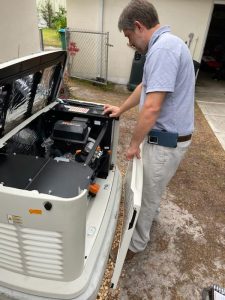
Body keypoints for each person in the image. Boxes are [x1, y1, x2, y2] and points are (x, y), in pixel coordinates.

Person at [104, 0, 195, 257]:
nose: (130, 43)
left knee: (143, 196)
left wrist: (133, 145)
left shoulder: (163, 50)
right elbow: (145, 87)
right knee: (151, 186)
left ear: (138, 26)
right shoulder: (165, 46)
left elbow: (152, 108)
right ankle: (147, 222)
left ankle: (134, 246)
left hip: (164, 140)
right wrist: (121, 109)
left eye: (129, 37)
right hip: (165, 138)